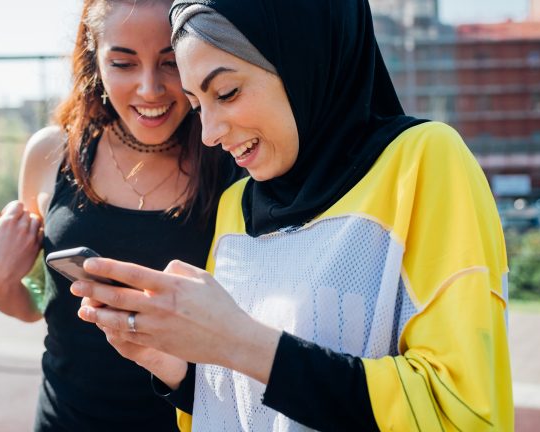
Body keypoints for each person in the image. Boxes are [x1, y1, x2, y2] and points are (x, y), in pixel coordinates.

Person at [70, 0, 513, 431]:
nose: (209, 133)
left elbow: (461, 412)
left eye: (227, 92)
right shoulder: (236, 205)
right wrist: (180, 370)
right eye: (199, 105)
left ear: (303, 58)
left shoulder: (423, 162)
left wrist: (236, 341)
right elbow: (249, 404)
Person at [0, 0, 238, 430]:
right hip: (64, 418)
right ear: (94, 58)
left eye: (170, 63)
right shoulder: (50, 153)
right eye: (123, 63)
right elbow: (40, 303)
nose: (149, 89)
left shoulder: (231, 159)